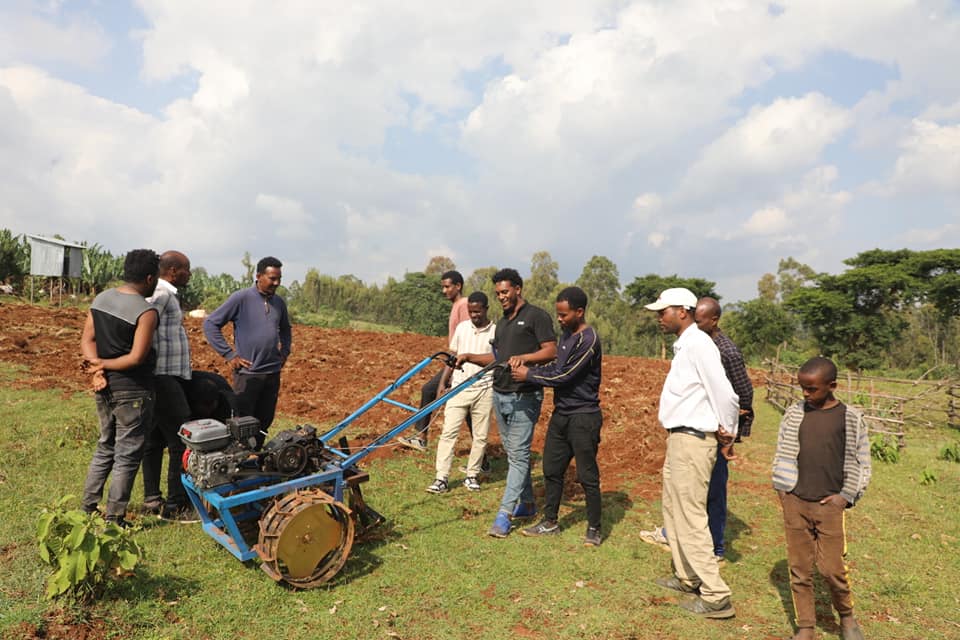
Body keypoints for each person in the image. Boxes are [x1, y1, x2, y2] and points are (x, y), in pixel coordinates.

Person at [645, 287, 739, 619]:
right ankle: (687, 576)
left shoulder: (699, 345)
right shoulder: (686, 345)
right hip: (680, 438)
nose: (659, 317)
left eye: (663, 311)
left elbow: (726, 395)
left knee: (691, 515)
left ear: (682, 312)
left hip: (694, 440)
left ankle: (715, 595)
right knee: (673, 510)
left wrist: (728, 434)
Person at [640, 296, 754, 561]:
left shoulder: (722, 350)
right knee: (689, 495)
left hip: (711, 432)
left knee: (711, 492)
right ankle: (682, 544)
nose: (696, 324)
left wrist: (729, 432)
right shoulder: (692, 344)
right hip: (702, 430)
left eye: (699, 321)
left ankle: (714, 549)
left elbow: (740, 395)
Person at [772, 357, 870, 640]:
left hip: (829, 506)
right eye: (802, 387)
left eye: (811, 389)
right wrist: (783, 490)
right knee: (800, 568)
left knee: (831, 569)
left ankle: (847, 617)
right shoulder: (794, 414)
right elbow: (782, 451)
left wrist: (845, 496)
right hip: (796, 501)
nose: (805, 393)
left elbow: (862, 462)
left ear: (832, 386)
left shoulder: (850, 418)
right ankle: (806, 627)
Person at [457, 268, 557, 538]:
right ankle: (527, 503)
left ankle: (504, 514)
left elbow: (551, 350)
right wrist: (469, 356)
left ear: (517, 289)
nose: (501, 297)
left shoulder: (536, 316)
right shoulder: (502, 323)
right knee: (514, 454)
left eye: (505, 292)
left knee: (520, 454)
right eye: (498, 293)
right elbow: (498, 359)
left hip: (525, 395)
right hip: (500, 394)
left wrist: (525, 358)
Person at [512, 286, 604, 546]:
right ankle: (550, 521)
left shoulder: (588, 340)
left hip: (583, 417)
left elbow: (564, 376)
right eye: (558, 314)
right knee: (552, 469)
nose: (560, 319)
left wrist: (529, 375)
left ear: (579, 312)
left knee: (587, 475)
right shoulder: (566, 336)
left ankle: (594, 527)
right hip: (561, 414)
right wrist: (530, 365)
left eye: (564, 315)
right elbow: (557, 367)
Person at [80, 249, 160, 527]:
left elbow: (87, 340)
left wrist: (97, 369)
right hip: (133, 390)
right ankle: (115, 518)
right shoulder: (146, 312)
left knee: (105, 446)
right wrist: (102, 364)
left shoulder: (102, 299)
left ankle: (87, 508)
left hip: (104, 387)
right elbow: (136, 357)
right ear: (149, 278)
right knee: (127, 453)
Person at [203, 256, 291, 448]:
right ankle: (241, 456)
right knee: (243, 421)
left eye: (279, 279)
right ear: (258, 276)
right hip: (248, 373)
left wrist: (285, 351)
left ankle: (256, 455)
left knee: (265, 419)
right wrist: (229, 355)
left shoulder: (279, 303)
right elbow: (210, 324)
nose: (276, 283)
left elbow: (285, 329)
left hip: (272, 372)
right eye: (272, 278)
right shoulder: (241, 298)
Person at [139, 250, 197, 523]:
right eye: (187, 269)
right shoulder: (161, 294)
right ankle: (176, 504)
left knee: (153, 439)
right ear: (174, 271)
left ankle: (152, 499)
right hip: (163, 376)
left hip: (162, 375)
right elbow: (143, 326)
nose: (189, 274)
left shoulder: (164, 293)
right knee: (181, 439)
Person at [426, 291, 496, 494]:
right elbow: (453, 356)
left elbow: (497, 358)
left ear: (486, 309)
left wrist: (471, 358)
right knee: (448, 433)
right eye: (471, 312)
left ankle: (472, 475)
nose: (474, 315)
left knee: (480, 436)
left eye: (478, 311)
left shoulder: (496, 332)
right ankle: (441, 478)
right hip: (459, 387)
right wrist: (443, 383)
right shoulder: (462, 328)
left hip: (484, 388)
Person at [397, 270, 471, 453]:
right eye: (442, 287)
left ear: (458, 286)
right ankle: (421, 437)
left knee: (465, 406)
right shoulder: (456, 305)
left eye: (447, 287)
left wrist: (450, 372)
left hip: (463, 363)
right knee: (435, 393)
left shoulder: (464, 305)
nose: (444, 291)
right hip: (455, 360)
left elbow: (467, 336)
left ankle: (422, 438)